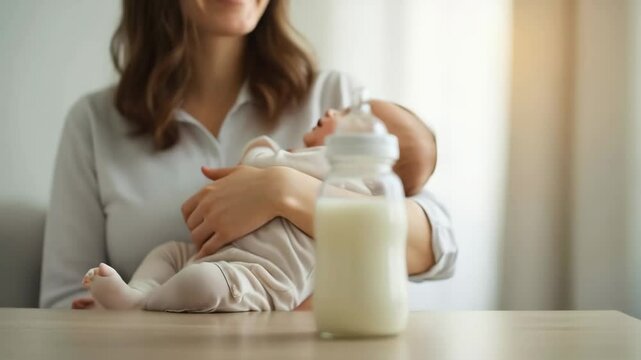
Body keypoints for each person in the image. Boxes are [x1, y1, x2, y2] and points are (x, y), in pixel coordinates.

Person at [39, 0, 457, 310]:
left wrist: (283, 189)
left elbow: (436, 246)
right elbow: (63, 300)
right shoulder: (93, 122)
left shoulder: (338, 100)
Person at [82, 100, 432, 311]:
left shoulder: (340, 171)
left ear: (374, 149)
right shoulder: (92, 117)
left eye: (349, 116)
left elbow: (261, 163)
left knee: (201, 284)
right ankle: (140, 293)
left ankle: (142, 305)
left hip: (256, 278)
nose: (331, 109)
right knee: (169, 254)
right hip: (211, 255)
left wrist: (266, 164)